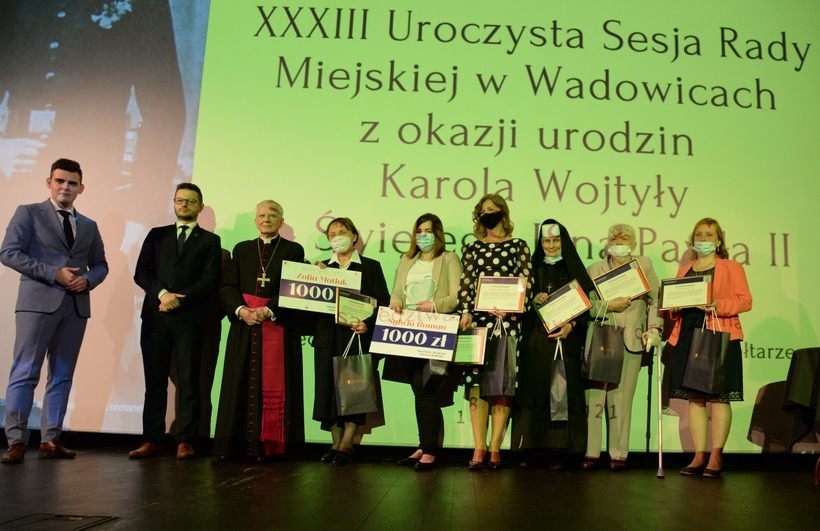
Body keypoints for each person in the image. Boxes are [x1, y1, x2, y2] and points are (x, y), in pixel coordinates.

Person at [0, 158, 108, 464]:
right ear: (49, 182)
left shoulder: (88, 225)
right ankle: (16, 441)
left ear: (81, 188)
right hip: (37, 304)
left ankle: (50, 440)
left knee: (62, 375)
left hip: (75, 307)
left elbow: (101, 265)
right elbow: (8, 253)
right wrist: (53, 273)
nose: (65, 187)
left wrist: (88, 280)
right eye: (60, 181)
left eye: (72, 183)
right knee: (25, 372)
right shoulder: (29, 213)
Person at [129, 183, 221, 460]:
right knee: (155, 381)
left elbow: (210, 280)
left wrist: (181, 299)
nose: (184, 205)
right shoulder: (157, 235)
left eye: (190, 201)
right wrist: (163, 294)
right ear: (174, 203)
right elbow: (141, 272)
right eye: (180, 200)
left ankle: (185, 440)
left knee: (189, 381)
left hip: (190, 320)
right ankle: (152, 439)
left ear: (200, 206)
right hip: (156, 317)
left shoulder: (210, 241)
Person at [213, 200, 307, 460]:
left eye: (272, 215)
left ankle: (272, 446)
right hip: (245, 326)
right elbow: (227, 286)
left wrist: (269, 309)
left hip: (277, 325)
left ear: (281, 221)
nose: (266, 219)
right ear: (256, 220)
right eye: (262, 215)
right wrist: (242, 310)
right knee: (239, 383)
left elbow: (295, 288)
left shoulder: (293, 250)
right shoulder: (242, 249)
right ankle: (236, 446)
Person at [666, 217, 752, 478]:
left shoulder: (731, 267)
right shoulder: (685, 269)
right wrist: (673, 306)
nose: (703, 239)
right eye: (699, 235)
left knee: (718, 398)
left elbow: (745, 301)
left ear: (718, 240)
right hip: (688, 336)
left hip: (718, 334)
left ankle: (716, 455)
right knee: (695, 398)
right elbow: (674, 308)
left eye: (709, 235)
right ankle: (699, 454)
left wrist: (717, 304)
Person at [458, 194, 532, 470]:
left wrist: (513, 307)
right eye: (482, 211)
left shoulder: (518, 245)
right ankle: (479, 446)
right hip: (477, 324)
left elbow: (527, 282)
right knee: (476, 385)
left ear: (503, 212)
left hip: (507, 322)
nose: (487, 214)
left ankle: (495, 447)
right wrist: (466, 311)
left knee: (502, 385)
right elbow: (466, 282)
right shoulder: (473, 248)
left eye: (492, 209)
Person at [512, 219, 593, 470]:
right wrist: (532, 299)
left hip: (565, 342)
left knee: (563, 393)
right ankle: (532, 448)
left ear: (564, 242)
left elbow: (586, 309)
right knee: (534, 393)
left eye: (556, 240)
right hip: (536, 344)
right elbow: (518, 304)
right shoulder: (532, 269)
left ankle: (564, 451)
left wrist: (572, 325)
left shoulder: (574, 270)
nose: (550, 245)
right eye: (546, 240)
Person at [384, 213, 462, 471]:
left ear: (437, 233)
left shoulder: (449, 259)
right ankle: (425, 445)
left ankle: (429, 449)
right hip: (407, 331)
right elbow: (397, 290)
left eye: (427, 230)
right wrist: (396, 301)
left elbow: (457, 296)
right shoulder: (407, 259)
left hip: (436, 330)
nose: (423, 235)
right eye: (419, 231)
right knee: (418, 390)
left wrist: (434, 305)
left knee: (428, 389)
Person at [582, 223, 663, 471]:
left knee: (622, 398)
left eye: (624, 237)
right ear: (607, 243)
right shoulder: (594, 269)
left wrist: (655, 328)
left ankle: (618, 453)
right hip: (602, 337)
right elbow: (586, 304)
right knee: (595, 397)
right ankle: (591, 451)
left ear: (634, 243)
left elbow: (656, 299)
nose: (619, 241)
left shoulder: (643, 265)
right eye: (614, 237)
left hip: (632, 339)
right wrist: (608, 306)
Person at [312, 217, 390, 465]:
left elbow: (383, 302)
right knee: (328, 390)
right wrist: (312, 278)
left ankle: (347, 443)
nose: (337, 237)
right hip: (328, 335)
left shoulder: (371, 267)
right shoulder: (322, 268)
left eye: (342, 232)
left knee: (355, 388)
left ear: (354, 236)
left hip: (356, 335)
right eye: (332, 234)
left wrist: (368, 323)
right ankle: (335, 442)